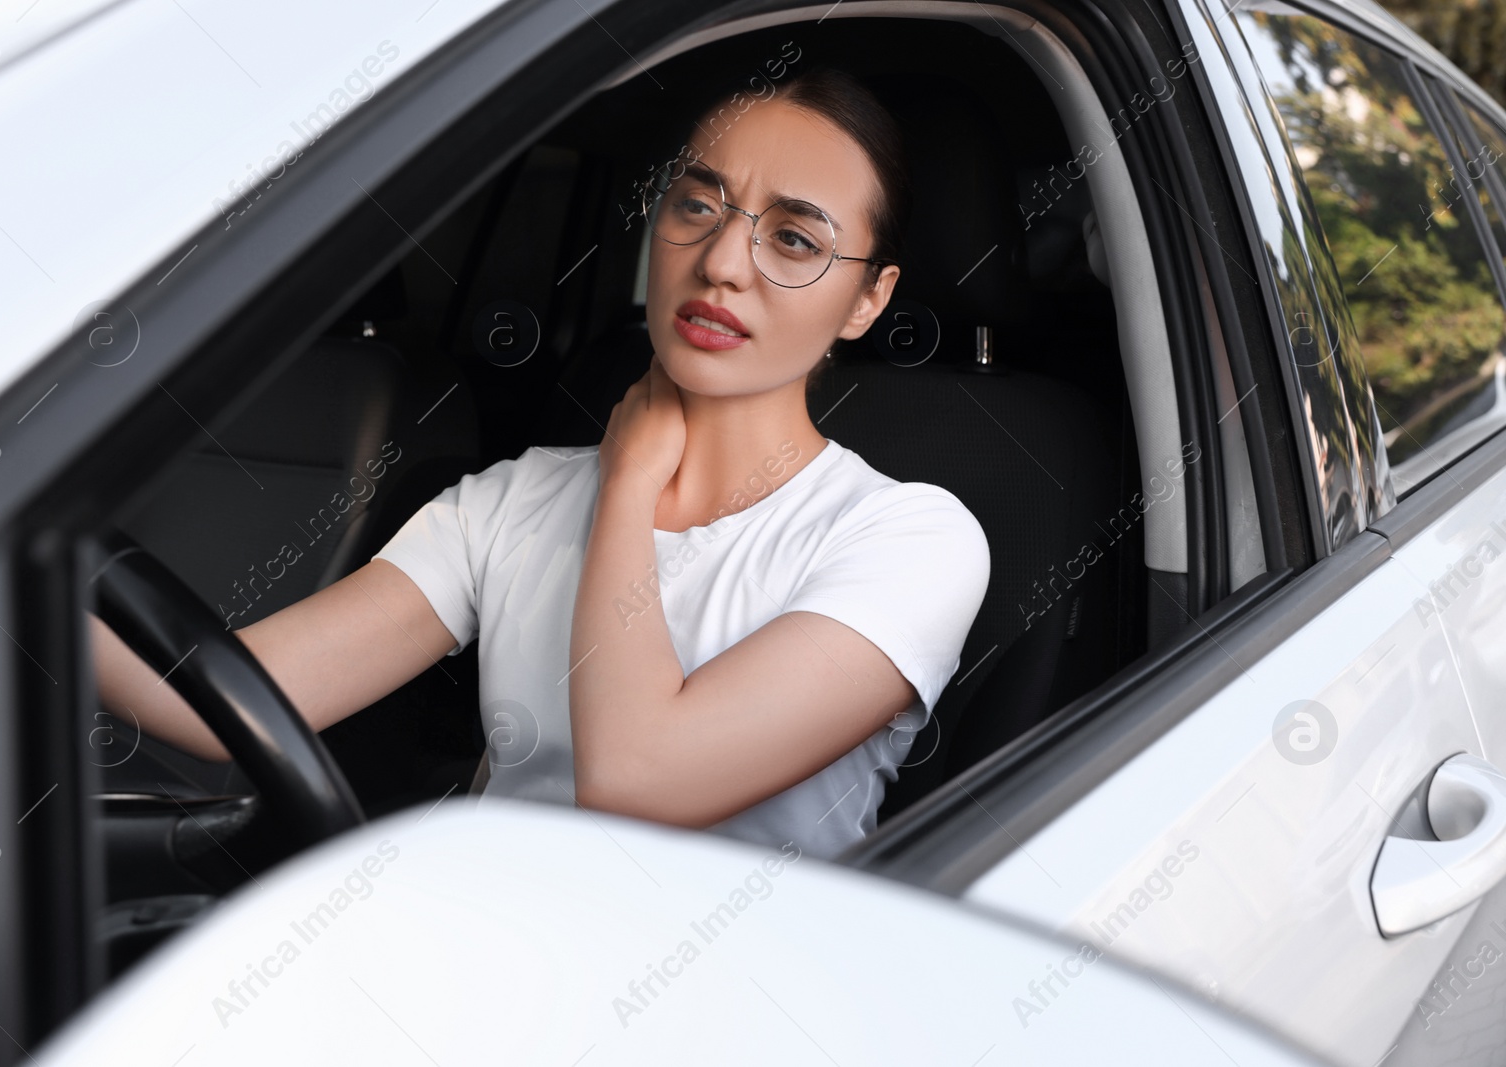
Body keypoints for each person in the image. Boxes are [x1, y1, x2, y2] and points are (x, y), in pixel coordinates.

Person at [90, 66, 990, 861]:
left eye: (794, 239)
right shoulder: (514, 498)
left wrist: (631, 481)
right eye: (697, 204)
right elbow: (220, 700)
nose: (722, 261)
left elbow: (636, 784)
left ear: (868, 301)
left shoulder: (912, 538)